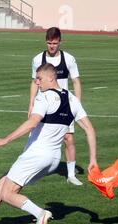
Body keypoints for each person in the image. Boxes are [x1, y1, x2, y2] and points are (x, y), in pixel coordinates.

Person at [0, 63, 97, 224]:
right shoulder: (72, 99)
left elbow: (32, 122)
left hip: (37, 154)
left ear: (50, 78)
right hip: (53, 159)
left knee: (8, 193)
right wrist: (93, 159)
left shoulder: (44, 96)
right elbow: (90, 130)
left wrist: (5, 140)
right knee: (5, 179)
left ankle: (40, 213)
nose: (37, 83)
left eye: (39, 79)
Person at [29, 27, 83, 186]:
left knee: (68, 138)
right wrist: (31, 103)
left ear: (60, 41)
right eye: (49, 43)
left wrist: (76, 104)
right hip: (43, 105)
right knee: (35, 137)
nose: (52, 46)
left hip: (63, 106)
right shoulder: (38, 59)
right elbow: (34, 82)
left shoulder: (69, 59)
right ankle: (31, 171)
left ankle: (71, 175)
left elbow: (76, 82)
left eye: (54, 43)